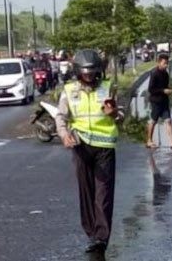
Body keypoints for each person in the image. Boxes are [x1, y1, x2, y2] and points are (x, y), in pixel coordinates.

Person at [55, 49, 123, 255]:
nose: (89, 76)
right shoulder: (69, 91)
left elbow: (120, 115)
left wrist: (114, 115)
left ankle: (102, 238)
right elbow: (61, 117)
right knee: (86, 192)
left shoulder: (107, 87)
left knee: (103, 194)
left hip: (104, 147)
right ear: (78, 71)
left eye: (92, 72)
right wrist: (63, 134)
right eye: (85, 72)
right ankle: (91, 233)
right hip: (80, 145)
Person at [145, 53, 172, 149]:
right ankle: (149, 140)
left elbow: (165, 86)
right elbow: (151, 89)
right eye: (164, 63)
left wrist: (169, 91)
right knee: (153, 121)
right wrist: (163, 90)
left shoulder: (166, 74)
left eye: (167, 63)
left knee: (168, 120)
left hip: (164, 101)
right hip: (156, 101)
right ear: (159, 63)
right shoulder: (154, 73)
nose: (166, 65)